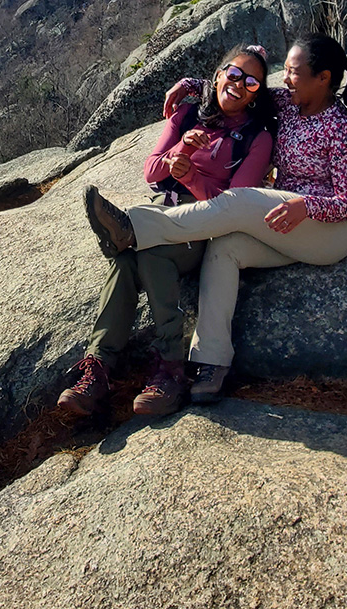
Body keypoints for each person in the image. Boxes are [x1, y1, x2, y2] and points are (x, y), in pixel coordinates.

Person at [84, 33, 347, 405]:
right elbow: (236, 87)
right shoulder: (288, 104)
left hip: (330, 233)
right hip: (283, 224)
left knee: (238, 203)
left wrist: (306, 207)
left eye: (292, 72)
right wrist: (189, 85)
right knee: (225, 248)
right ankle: (211, 361)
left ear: (322, 78)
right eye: (284, 71)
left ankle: (136, 227)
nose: (284, 79)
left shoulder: (343, 129)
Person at [59, 44, 277, 418]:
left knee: (144, 252)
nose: (240, 84)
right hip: (164, 208)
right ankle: (99, 369)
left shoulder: (258, 138)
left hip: (204, 224)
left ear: (258, 93)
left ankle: (170, 368)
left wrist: (190, 175)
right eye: (235, 73)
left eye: (252, 82)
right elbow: (151, 171)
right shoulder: (188, 113)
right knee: (127, 262)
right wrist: (179, 153)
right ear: (220, 73)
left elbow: (235, 207)